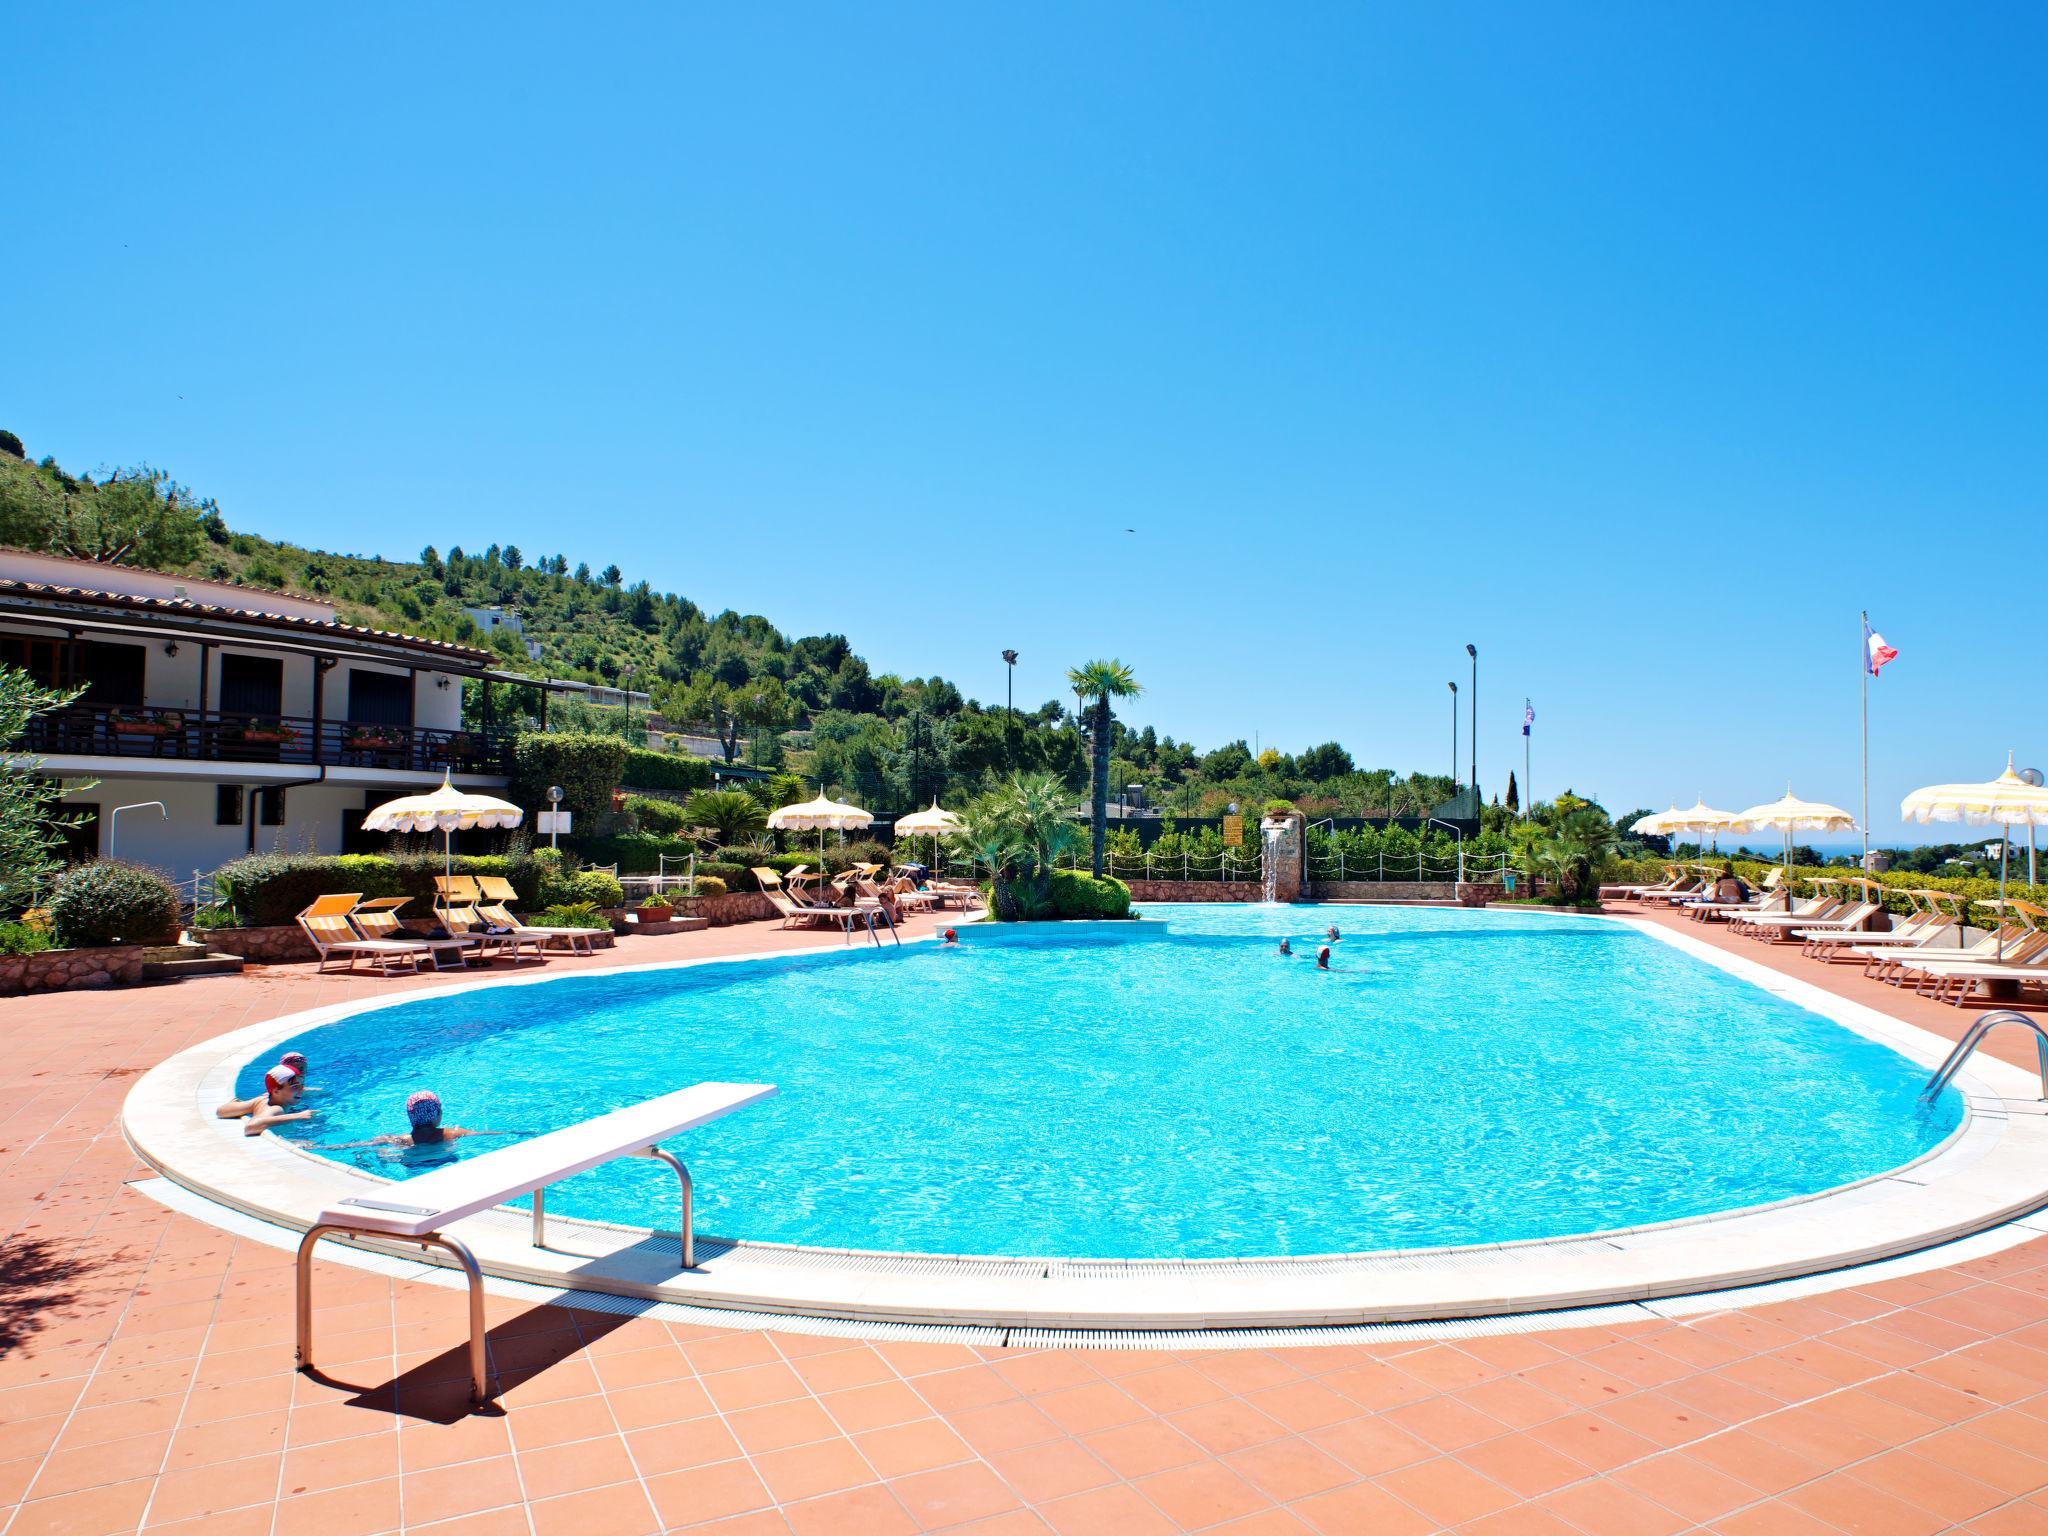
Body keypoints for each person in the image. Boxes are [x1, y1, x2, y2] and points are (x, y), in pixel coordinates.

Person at [216, 1064, 313, 1136]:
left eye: (302, 1085)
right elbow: (250, 1127)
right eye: (295, 1086)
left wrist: (237, 1105)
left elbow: (220, 1111)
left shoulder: (262, 1100)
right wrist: (297, 1115)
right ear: (276, 1091)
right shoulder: (277, 1109)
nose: (302, 1089)